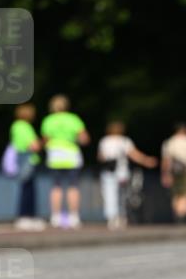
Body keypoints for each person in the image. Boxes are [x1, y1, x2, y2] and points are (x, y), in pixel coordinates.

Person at [40, 95, 90, 228]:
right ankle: (74, 217)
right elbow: (84, 138)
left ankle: (56, 217)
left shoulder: (48, 120)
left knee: (56, 187)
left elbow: (45, 140)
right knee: (73, 186)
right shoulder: (73, 119)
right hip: (71, 154)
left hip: (55, 155)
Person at [97, 121, 158, 228]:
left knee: (109, 194)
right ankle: (122, 216)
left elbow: (101, 157)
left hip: (108, 172)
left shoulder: (104, 141)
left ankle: (112, 218)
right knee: (122, 195)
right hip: (122, 172)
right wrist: (147, 161)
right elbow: (134, 155)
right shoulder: (125, 141)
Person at [9, 103, 44, 230]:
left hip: (21, 158)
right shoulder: (24, 126)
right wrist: (43, 142)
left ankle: (26, 216)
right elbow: (34, 145)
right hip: (27, 159)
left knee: (26, 187)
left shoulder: (15, 126)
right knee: (28, 189)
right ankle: (26, 216)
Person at [161, 123, 186, 223]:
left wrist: (165, 173)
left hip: (174, 170)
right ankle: (182, 213)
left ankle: (177, 212)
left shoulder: (170, 142)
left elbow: (166, 159)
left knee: (176, 193)